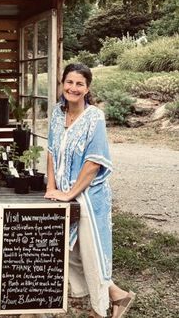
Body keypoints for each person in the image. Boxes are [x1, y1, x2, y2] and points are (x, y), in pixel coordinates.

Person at [44, 63, 136, 318]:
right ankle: (118, 295)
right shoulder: (57, 113)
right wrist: (51, 186)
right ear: (62, 84)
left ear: (87, 89)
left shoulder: (94, 117)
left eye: (79, 84)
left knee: (92, 253)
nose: (73, 88)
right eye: (69, 82)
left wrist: (69, 193)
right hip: (64, 192)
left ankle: (100, 310)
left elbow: (93, 162)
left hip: (89, 196)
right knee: (70, 249)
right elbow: (51, 152)